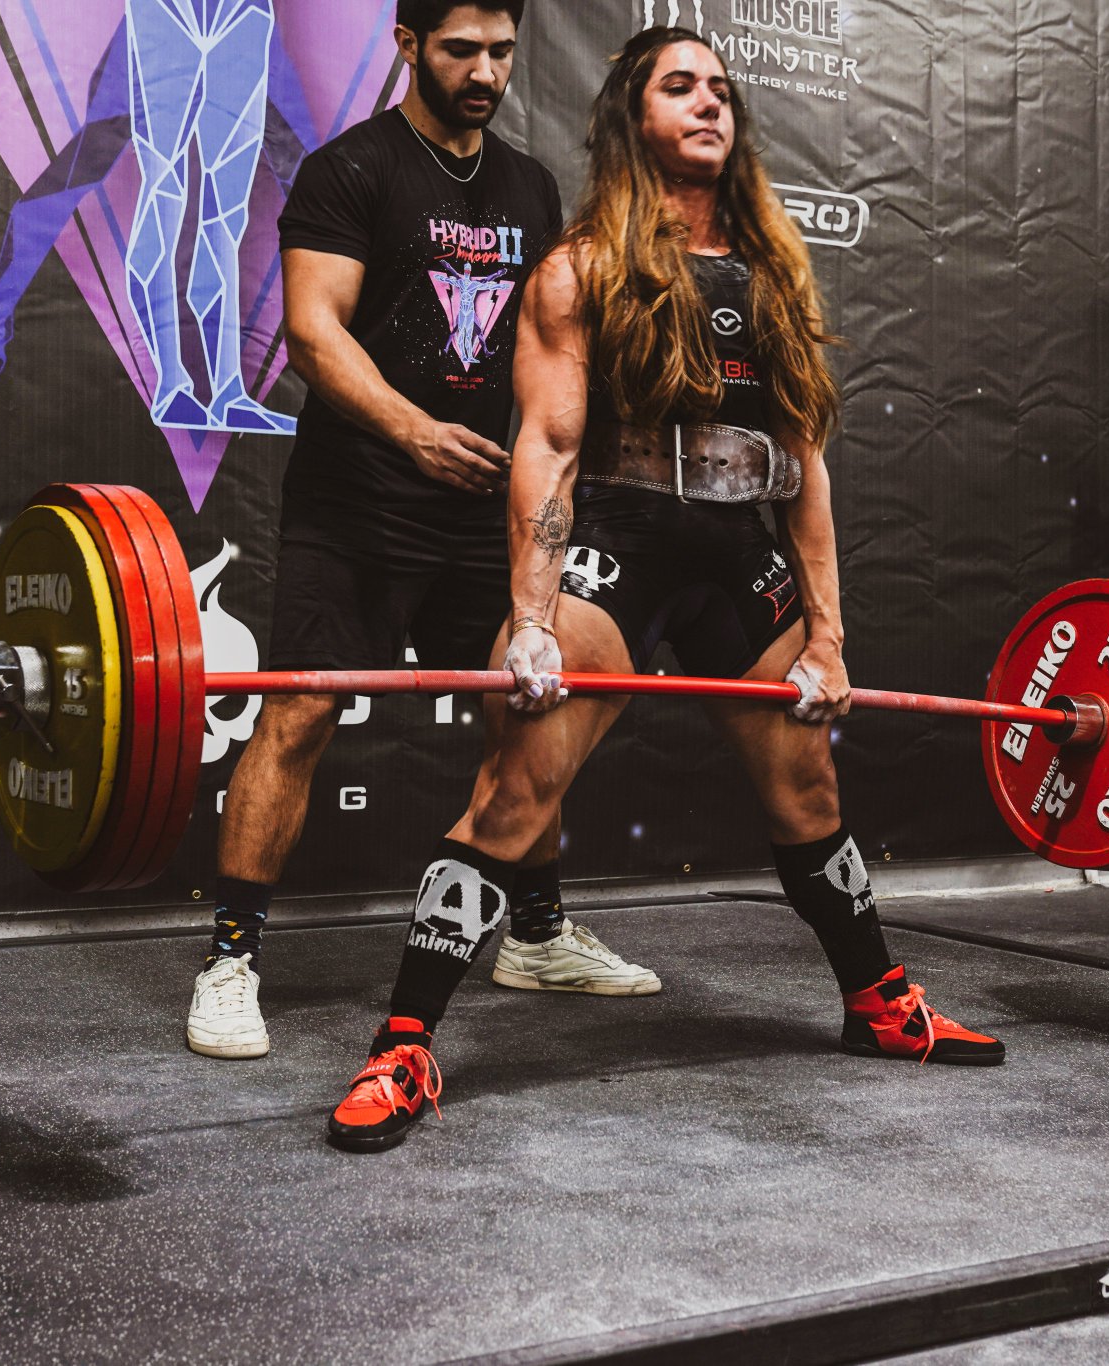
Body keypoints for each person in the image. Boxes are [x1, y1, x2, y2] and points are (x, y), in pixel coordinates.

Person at [322, 26, 1004, 1153]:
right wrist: (531, 621)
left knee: (809, 798)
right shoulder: (578, 268)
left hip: (743, 552)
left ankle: (878, 1003)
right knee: (514, 787)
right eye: (678, 87)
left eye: (721, 91)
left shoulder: (770, 268)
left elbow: (804, 464)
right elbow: (545, 445)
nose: (708, 105)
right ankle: (403, 1044)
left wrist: (828, 639)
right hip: (620, 539)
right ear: (629, 117)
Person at [185, 0, 659, 1062]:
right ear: (406, 46)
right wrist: (413, 432)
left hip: (478, 516)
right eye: (459, 50)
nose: (483, 70)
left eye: (499, 51)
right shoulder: (351, 171)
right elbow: (311, 330)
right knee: (299, 718)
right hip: (354, 506)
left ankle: (531, 934)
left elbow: (556, 352)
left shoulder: (529, 188)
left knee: (525, 718)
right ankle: (229, 959)